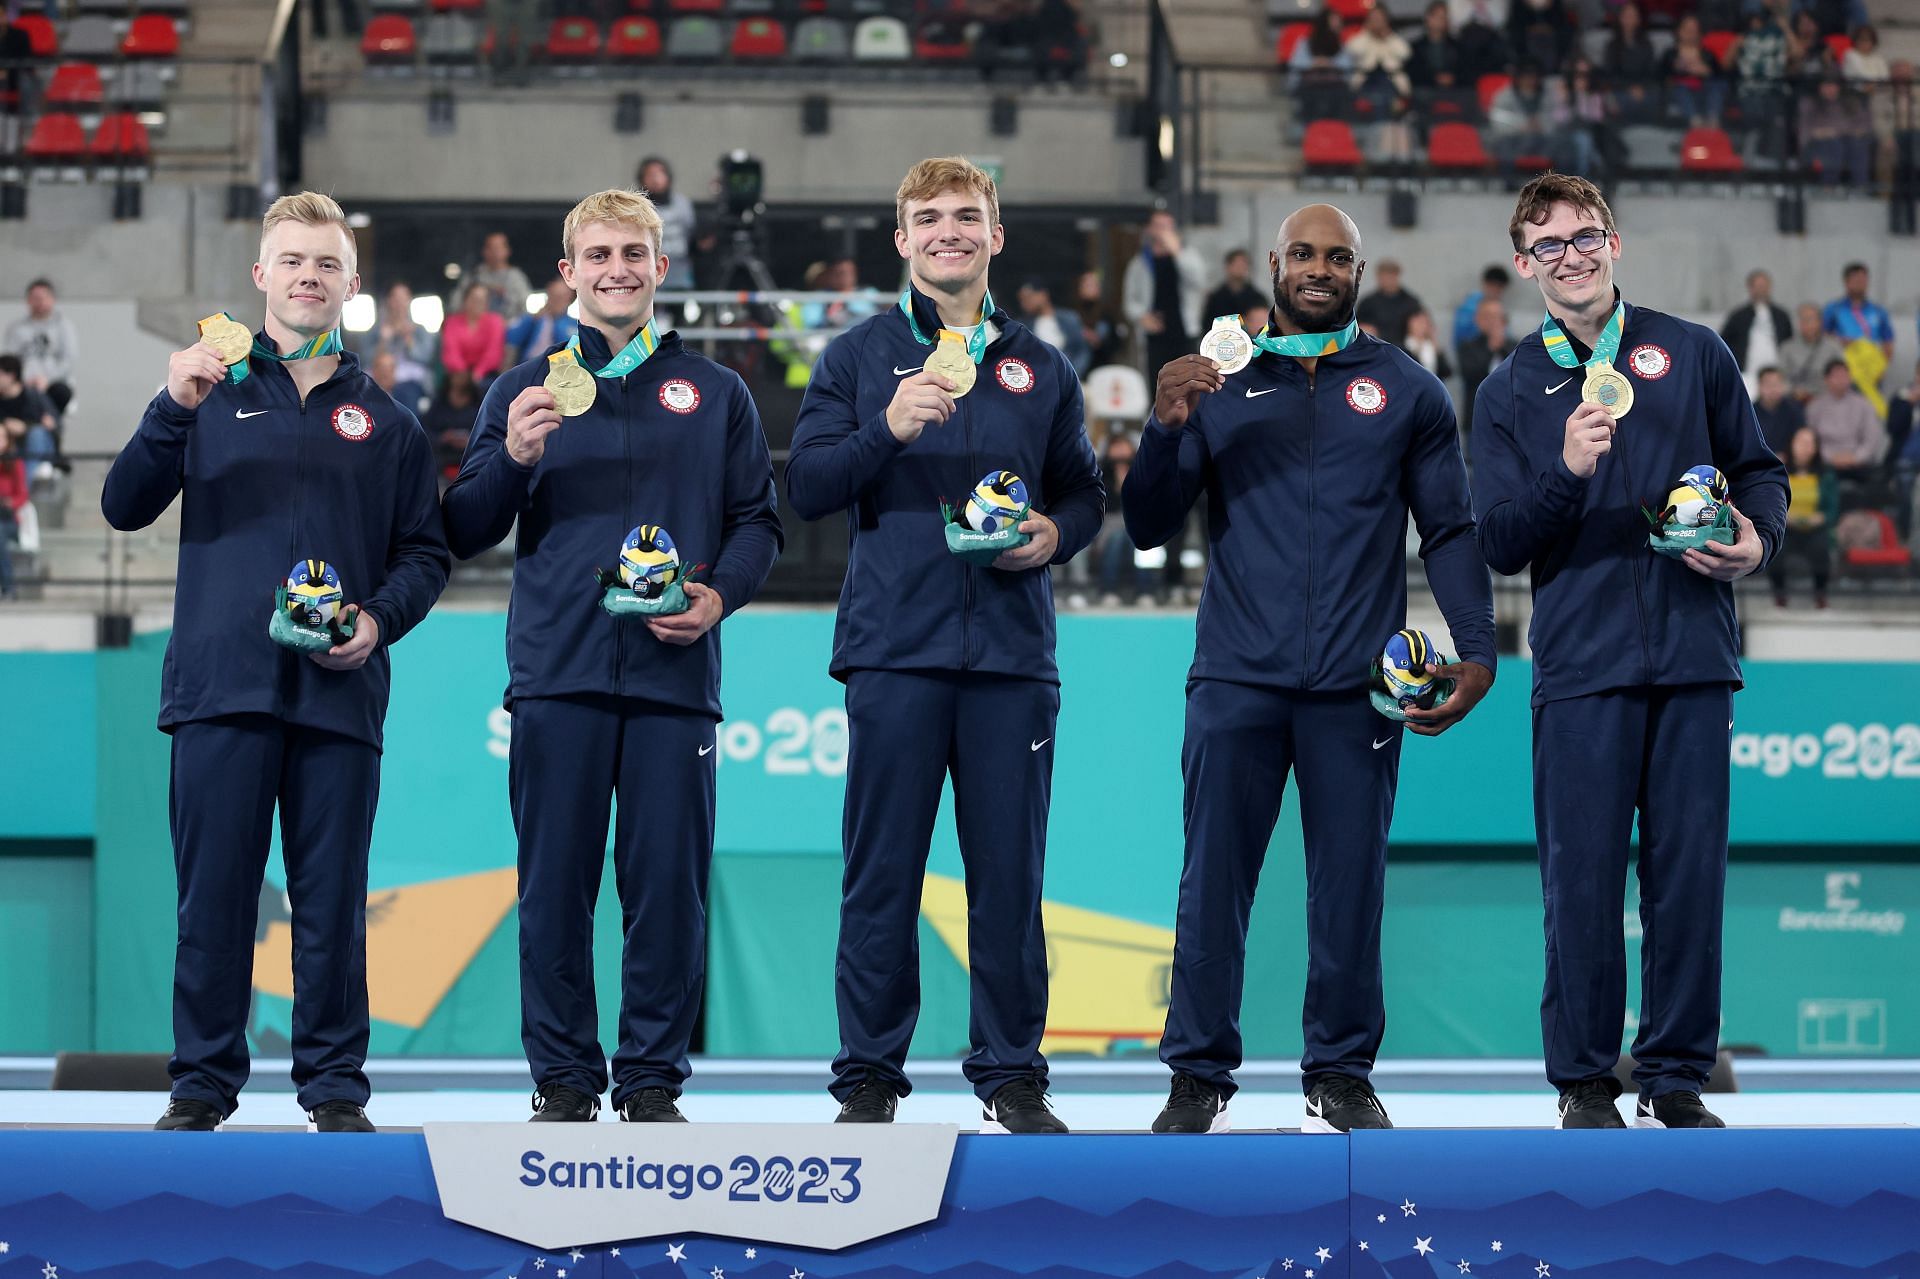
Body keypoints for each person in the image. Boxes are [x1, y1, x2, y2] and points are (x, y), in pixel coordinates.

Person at [1126, 202, 1496, 1136]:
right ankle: (1197, 1075)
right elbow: (1145, 525)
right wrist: (1166, 429)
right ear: (1274, 267)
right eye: (1303, 253)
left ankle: (1338, 1072)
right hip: (1236, 678)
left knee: (1350, 885)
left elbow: (1449, 528)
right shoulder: (1220, 379)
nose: (1319, 267)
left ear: (1362, 271)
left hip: (1353, 688)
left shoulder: (1408, 389)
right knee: (1212, 880)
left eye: (1338, 255)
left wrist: (1479, 645)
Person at [100, 192, 452, 1134]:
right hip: (221, 688)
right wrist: (170, 408)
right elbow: (124, 504)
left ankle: (334, 1088)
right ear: (261, 275)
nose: (309, 276)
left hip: (339, 695)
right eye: (292, 260)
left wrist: (377, 623)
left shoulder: (390, 422)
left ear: (350, 283)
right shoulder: (205, 391)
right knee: (213, 900)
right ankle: (202, 1086)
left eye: (327, 264)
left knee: (332, 903)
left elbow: (426, 553)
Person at [442, 188, 783, 1124]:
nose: (616, 269)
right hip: (559, 675)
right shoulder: (522, 390)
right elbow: (465, 526)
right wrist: (508, 457)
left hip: (675, 679)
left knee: (666, 892)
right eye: (597, 255)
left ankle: (649, 1080)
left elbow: (758, 522)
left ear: (661, 268)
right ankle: (562, 1078)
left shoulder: (716, 393)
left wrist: (718, 598)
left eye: (633, 253)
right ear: (568, 273)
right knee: (554, 887)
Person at [786, 156, 1104, 1133]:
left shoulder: (1041, 366)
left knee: (1010, 878)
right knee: (881, 874)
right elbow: (805, 489)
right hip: (894, 652)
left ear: (996, 235)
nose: (949, 232)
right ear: (902, 239)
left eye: (967, 216)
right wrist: (886, 425)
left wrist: (1057, 535)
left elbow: (1085, 493)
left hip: (1012, 660)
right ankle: (870, 1079)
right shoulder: (853, 358)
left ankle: (1011, 1074)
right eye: (929, 218)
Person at [1473, 173, 1788, 1130]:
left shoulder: (1691, 352)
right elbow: (1500, 540)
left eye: (1585, 237)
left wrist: (1754, 538)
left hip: (1694, 655)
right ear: (1526, 265)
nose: (1571, 256)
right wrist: (1567, 472)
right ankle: (1581, 1080)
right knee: (1581, 877)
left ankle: (1678, 1074)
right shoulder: (1508, 389)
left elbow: (1761, 472)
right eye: (1549, 245)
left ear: (1615, 243)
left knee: (1690, 874)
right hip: (1581, 665)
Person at [1123, 209, 1206, 379]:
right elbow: (1129, 300)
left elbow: (1199, 282)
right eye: (1159, 226)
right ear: (1149, 229)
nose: (1163, 231)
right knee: (1157, 382)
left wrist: (1177, 253)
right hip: (1155, 333)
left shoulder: (1187, 255)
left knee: (1188, 381)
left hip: (1184, 330)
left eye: (1167, 226)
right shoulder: (1140, 263)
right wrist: (1141, 316)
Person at [1768, 426, 1835, 608]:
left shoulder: (1825, 475)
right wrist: (1784, 518)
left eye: (1809, 443)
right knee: (1773, 548)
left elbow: (1832, 508)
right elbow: (1770, 501)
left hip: (1815, 528)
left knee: (1821, 549)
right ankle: (1779, 593)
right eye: (1801, 442)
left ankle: (1820, 593)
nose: (1805, 448)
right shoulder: (1779, 471)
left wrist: (1821, 517)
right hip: (1786, 527)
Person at [5, 279, 78, 418]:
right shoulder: (16, 328)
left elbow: (68, 360)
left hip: (53, 384)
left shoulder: (64, 327)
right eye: (34, 298)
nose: (39, 302)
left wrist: (47, 379)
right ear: (28, 301)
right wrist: (25, 380)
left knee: (61, 393)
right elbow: (11, 361)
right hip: (24, 384)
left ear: (52, 299)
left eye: (43, 298)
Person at [1821, 262, 1894, 401]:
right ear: (1846, 282)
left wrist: (1882, 367)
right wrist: (1842, 341)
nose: (1861, 284)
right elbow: (1823, 337)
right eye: (1856, 280)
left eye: (1864, 280)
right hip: (1843, 372)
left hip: (1871, 372)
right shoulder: (1833, 309)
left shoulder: (1878, 311)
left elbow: (1888, 343)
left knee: (1870, 412)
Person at [1804, 356, 1885, 476]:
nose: (1841, 380)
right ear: (1826, 379)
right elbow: (1811, 439)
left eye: (1845, 376)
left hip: (1859, 462)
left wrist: (1856, 457)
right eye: (1837, 376)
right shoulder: (1815, 407)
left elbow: (1872, 438)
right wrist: (1830, 458)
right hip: (1826, 462)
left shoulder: (1864, 404)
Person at [360, 282, 436, 408]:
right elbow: (365, 359)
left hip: (409, 380)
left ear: (409, 301)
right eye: (396, 299)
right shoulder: (375, 330)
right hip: (379, 377)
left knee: (407, 394)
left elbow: (427, 358)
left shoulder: (419, 330)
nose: (399, 304)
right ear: (389, 301)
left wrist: (409, 340)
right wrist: (383, 341)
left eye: (403, 299)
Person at [1719, 270, 1793, 391]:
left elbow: (1789, 342)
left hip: (1776, 375)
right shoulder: (1738, 316)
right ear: (1750, 288)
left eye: (1764, 286)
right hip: (1746, 374)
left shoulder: (1781, 315)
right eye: (1758, 286)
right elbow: (1723, 343)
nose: (1761, 290)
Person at [637, 156, 698, 290]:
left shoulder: (682, 204)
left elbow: (691, 234)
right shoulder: (637, 207)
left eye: (660, 174)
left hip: (680, 271)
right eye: (651, 175)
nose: (656, 179)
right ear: (642, 179)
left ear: (668, 177)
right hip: (648, 271)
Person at [1457, 294, 1511, 434]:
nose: (1494, 322)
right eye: (1489, 317)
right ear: (1478, 320)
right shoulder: (1468, 346)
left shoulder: (1514, 347)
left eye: (1498, 316)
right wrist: (1491, 349)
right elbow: (1469, 374)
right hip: (1477, 417)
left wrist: (1501, 347)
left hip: (1509, 418)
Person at [1016, 278, 1092, 377]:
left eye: (1029, 297)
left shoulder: (1069, 318)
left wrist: (1073, 374)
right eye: (1022, 300)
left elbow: (1082, 350)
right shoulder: (1022, 325)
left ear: (1043, 294)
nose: (1025, 303)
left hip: (1067, 374)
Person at [441, 283, 507, 385]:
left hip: (486, 374)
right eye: (474, 299)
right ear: (465, 300)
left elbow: (493, 352)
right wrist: (463, 374)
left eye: (482, 300)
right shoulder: (452, 323)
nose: (478, 303)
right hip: (458, 374)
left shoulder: (495, 321)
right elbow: (451, 351)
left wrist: (478, 373)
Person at [456, 231, 532, 320]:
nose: (495, 252)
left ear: (507, 251)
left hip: (507, 327)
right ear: (484, 251)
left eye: (498, 248)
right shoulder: (474, 275)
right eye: (491, 248)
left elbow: (525, 308)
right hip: (477, 328)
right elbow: (456, 304)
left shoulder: (516, 277)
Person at [0, 355, 57, 470]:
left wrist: (25, 427)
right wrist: (5, 425)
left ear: (11, 376)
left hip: (35, 446)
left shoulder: (33, 396)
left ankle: (25, 486)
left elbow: (54, 423)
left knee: (37, 434)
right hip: (7, 445)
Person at [506, 276, 578, 366]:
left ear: (570, 299)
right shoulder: (532, 320)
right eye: (552, 296)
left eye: (560, 297)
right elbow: (511, 341)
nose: (555, 301)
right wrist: (531, 320)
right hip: (528, 367)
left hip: (558, 370)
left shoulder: (574, 325)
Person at [1356, 258, 1424, 347]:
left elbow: (1421, 323)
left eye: (1391, 276)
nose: (1388, 280)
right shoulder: (1368, 303)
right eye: (1385, 276)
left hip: (1406, 348)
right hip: (1376, 346)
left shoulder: (1410, 302)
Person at [1201, 250, 1268, 335]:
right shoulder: (1215, 298)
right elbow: (1207, 326)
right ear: (1228, 266)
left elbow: (1263, 326)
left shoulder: (1257, 298)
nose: (1240, 268)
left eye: (1243, 265)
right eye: (1237, 265)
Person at [1752, 365, 1806, 455]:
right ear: (1759, 386)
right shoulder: (1749, 412)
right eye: (1768, 384)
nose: (1773, 389)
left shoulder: (1794, 409)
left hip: (1788, 462)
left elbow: (1800, 438)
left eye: (1777, 384)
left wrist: (1787, 456)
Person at [1453, 264, 1509, 345]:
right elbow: (1461, 336)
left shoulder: (1498, 305)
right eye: (1496, 287)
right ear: (1487, 284)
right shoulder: (1468, 307)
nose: (1498, 292)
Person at [1402, 309, 1452, 381]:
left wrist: (1436, 348)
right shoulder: (1403, 346)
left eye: (1424, 322)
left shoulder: (1431, 346)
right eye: (1418, 322)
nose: (1421, 326)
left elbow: (1447, 372)